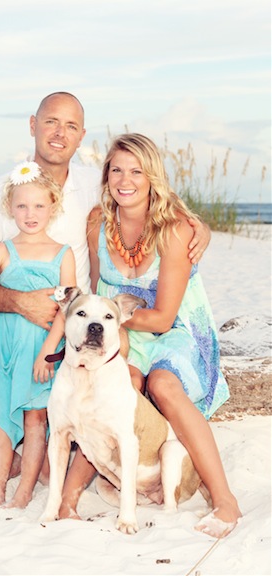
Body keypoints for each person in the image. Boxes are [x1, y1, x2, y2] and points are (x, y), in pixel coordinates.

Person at [0, 92, 210, 502]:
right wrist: (19, 302)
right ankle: (0, 455)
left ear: (81, 137)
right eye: (50, 122)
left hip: (70, 327)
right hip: (1, 318)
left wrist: (196, 223)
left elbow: (145, 197)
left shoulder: (95, 187)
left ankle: (55, 470)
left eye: (71, 126)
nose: (59, 133)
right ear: (32, 125)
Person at [59, 133, 241, 538]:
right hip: (121, 329)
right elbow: (92, 294)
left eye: (137, 170)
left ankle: (225, 499)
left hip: (175, 329)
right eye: (117, 170)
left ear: (152, 177)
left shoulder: (174, 230)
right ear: (106, 176)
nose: (126, 179)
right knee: (118, 382)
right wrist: (97, 323)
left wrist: (110, 319)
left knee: (161, 384)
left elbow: (161, 319)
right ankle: (68, 498)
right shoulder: (97, 224)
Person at [0, 161, 76, 509]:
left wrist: (46, 353)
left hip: (39, 353)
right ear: (10, 208)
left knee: (36, 418)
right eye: (22, 206)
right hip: (4, 348)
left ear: (53, 207)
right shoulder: (2, 251)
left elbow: (66, 308)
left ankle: (24, 492)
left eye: (39, 206)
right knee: (1, 418)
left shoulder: (62, 254)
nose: (31, 213)